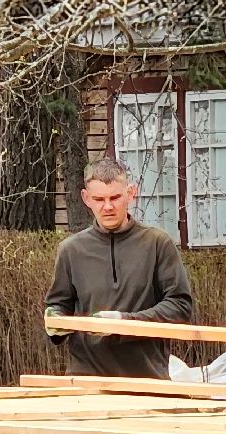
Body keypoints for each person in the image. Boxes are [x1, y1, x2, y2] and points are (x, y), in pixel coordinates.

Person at [43, 156, 194, 378]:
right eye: (99, 199)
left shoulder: (157, 244)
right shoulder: (70, 250)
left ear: (131, 193)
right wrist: (55, 321)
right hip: (85, 381)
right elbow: (58, 306)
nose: (108, 207)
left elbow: (180, 307)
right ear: (86, 198)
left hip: (146, 380)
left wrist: (124, 322)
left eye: (115, 197)